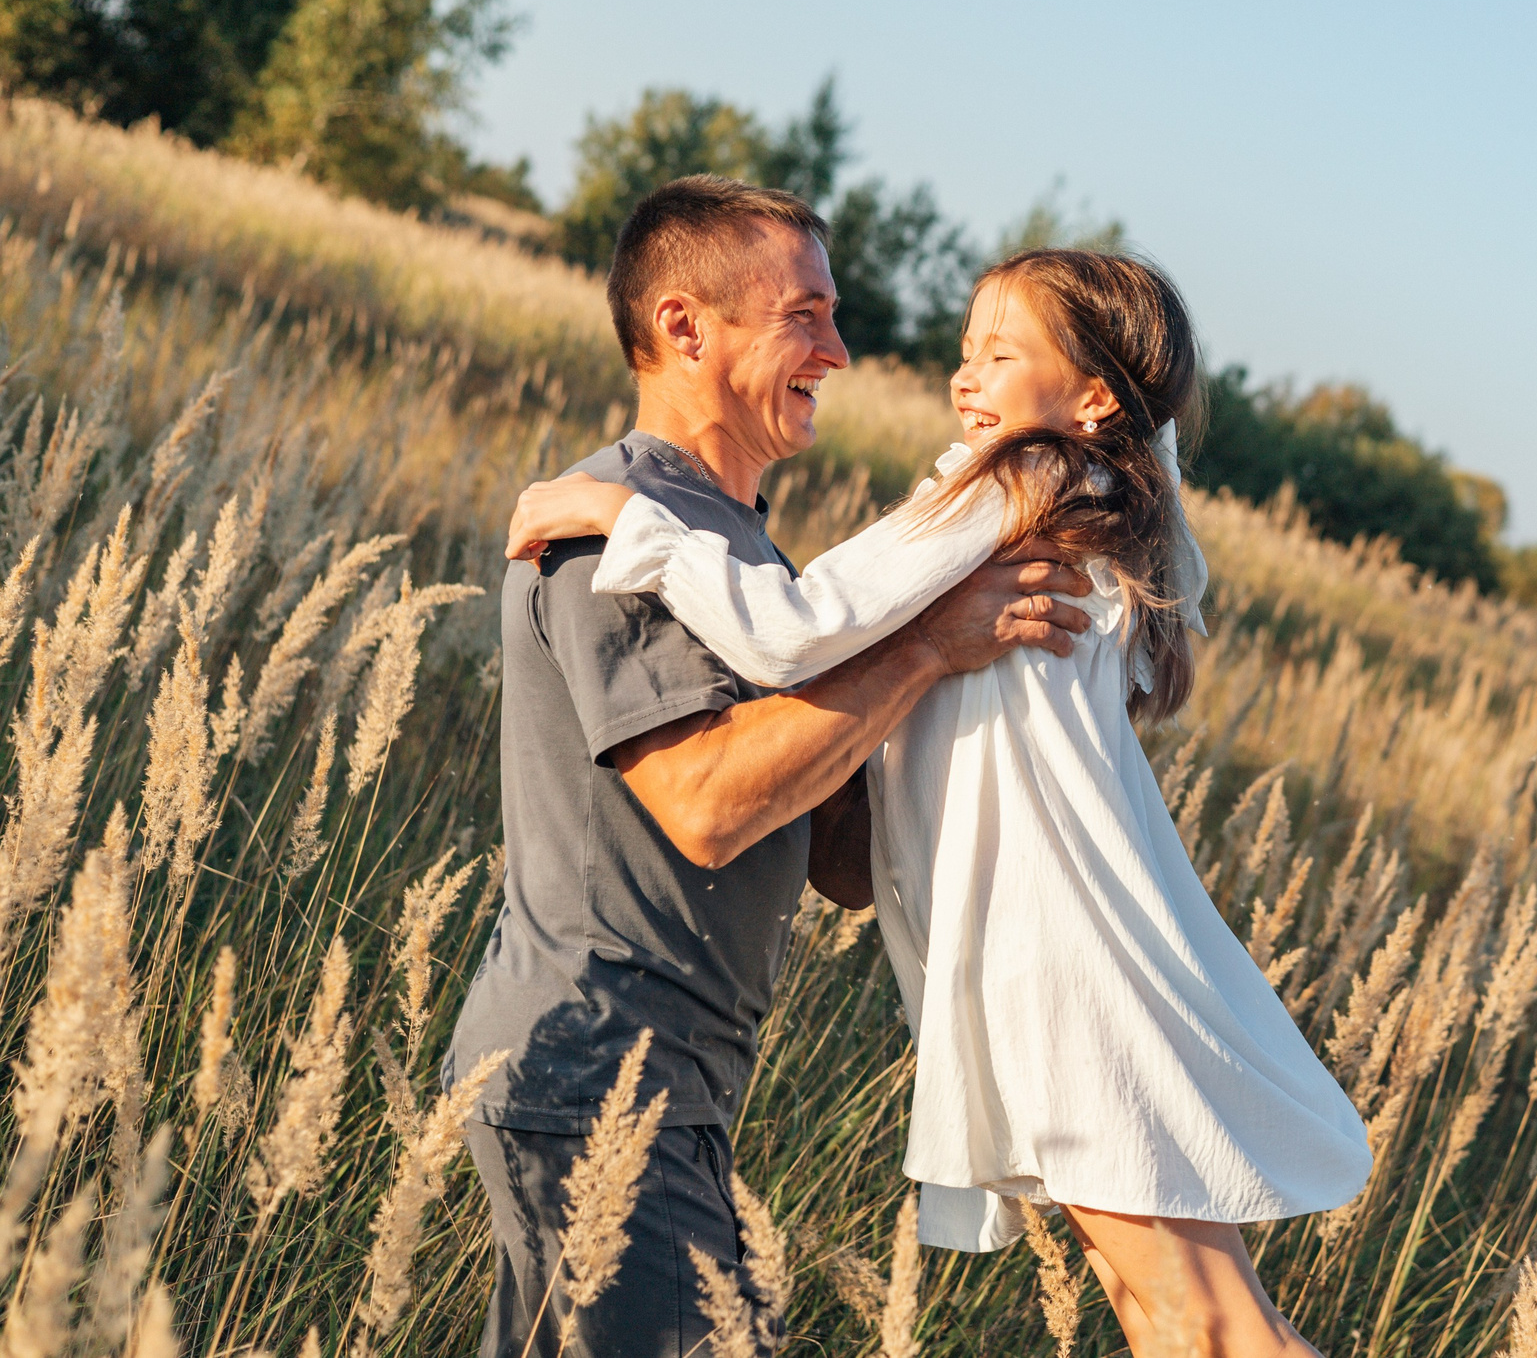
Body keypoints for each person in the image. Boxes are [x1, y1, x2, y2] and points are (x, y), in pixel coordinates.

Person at [504, 249, 1370, 1357]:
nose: (966, 380)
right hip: (1051, 943)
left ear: (1096, 397)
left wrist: (630, 520)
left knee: (1203, 1320)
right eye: (965, 353)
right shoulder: (1092, 497)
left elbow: (796, 626)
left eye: (999, 355)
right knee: (1160, 1308)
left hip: (1052, 950)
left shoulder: (1021, 477)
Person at [443, 176, 1099, 1358]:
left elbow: (837, 861)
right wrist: (920, 649)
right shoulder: (615, 529)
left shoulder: (749, 558)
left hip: (678, 1088)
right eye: (806, 314)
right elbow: (702, 804)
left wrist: (974, 685)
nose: (840, 351)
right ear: (688, 327)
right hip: (592, 1069)